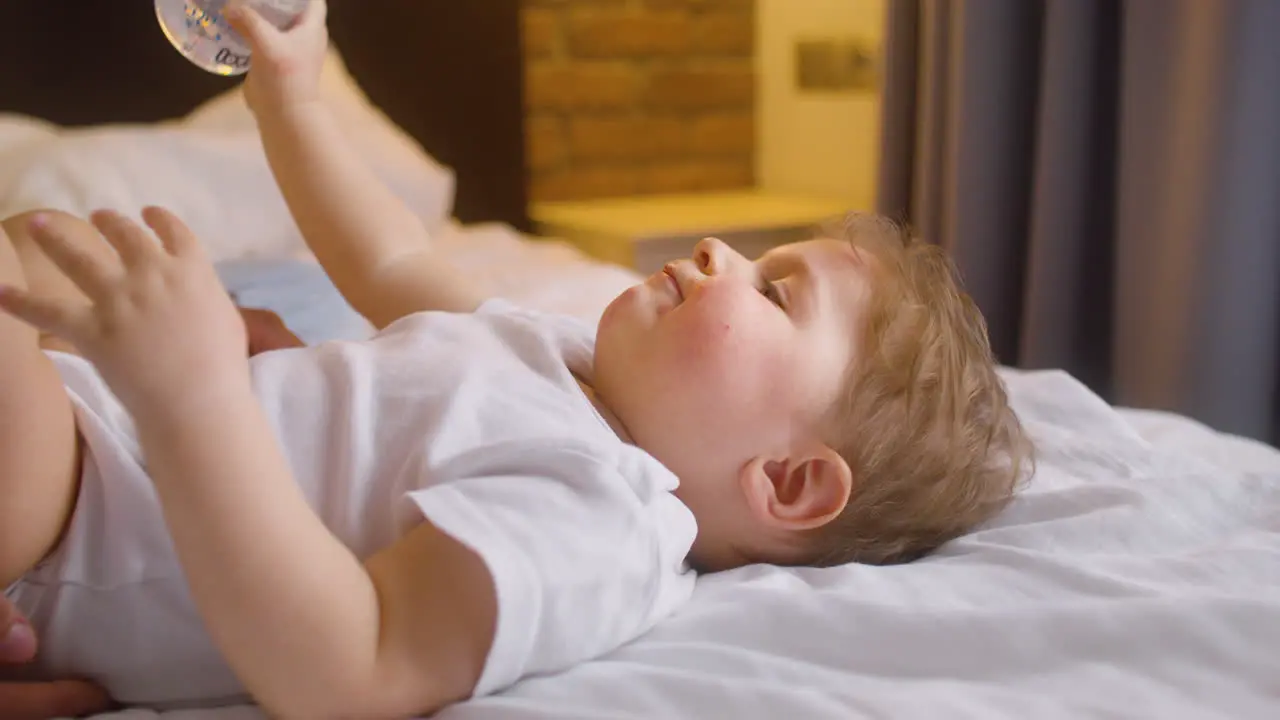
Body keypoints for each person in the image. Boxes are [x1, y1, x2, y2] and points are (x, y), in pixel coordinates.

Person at [0, 1, 1033, 716]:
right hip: (87, 439)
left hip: (77, 524)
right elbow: (391, 251)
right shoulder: (561, 360)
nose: (721, 251)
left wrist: (191, 391)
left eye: (771, 292)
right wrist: (291, 102)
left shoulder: (597, 517)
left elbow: (348, 668)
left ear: (791, 479)